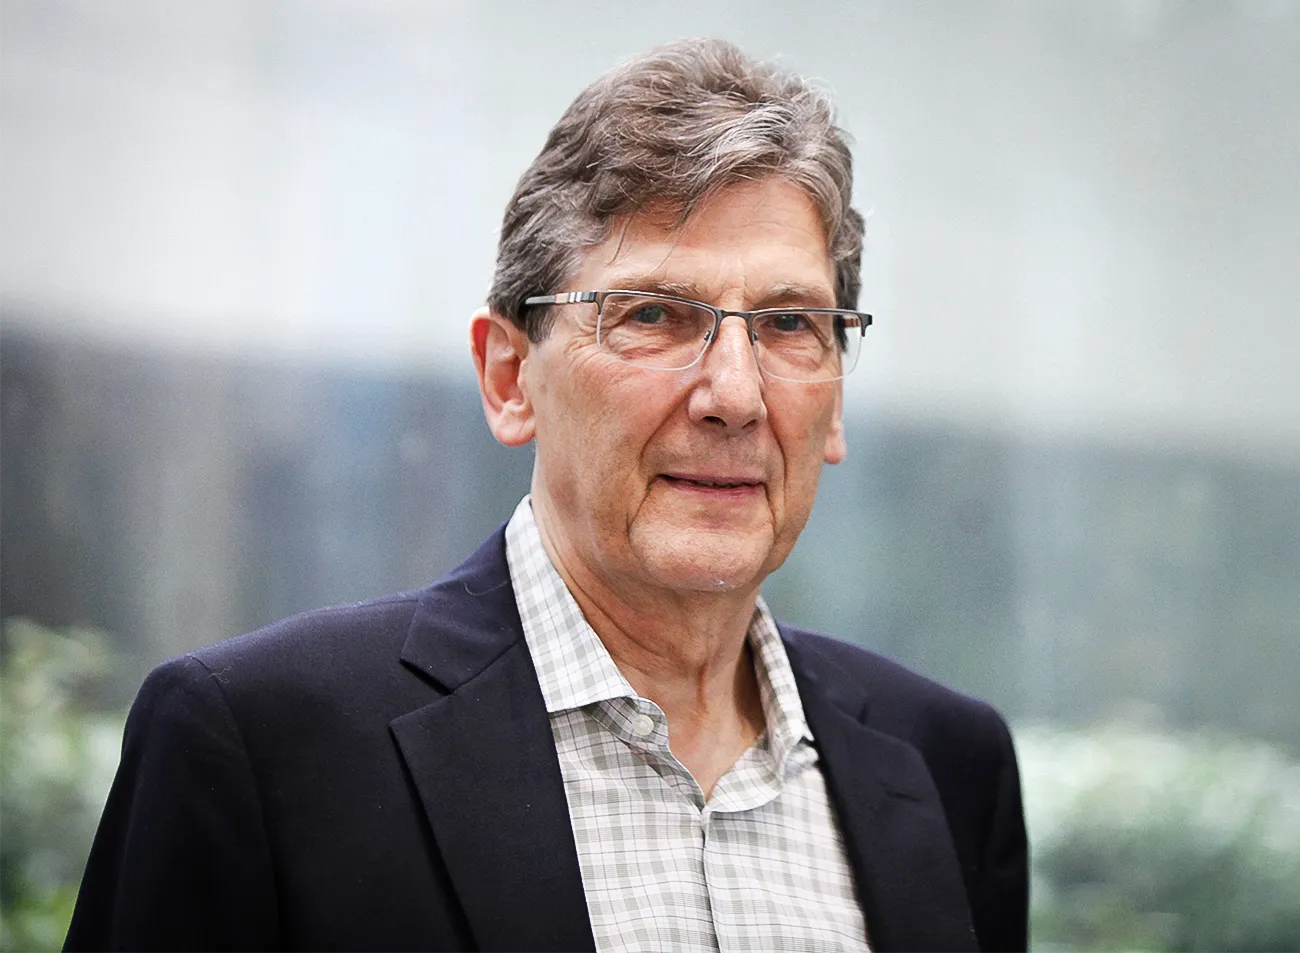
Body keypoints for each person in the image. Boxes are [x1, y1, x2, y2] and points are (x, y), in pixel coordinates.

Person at [64, 38, 1028, 953]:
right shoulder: (259, 746)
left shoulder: (949, 765)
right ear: (509, 377)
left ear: (838, 399)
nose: (736, 394)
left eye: (788, 323)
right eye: (653, 313)